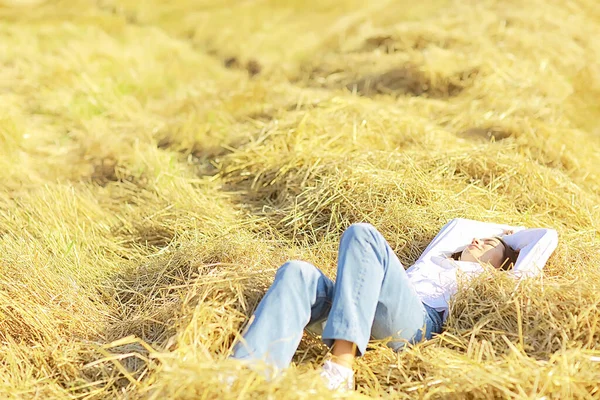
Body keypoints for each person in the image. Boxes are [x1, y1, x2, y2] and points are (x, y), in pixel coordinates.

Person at [230, 218, 558, 391]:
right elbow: (460, 225)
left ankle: (340, 368)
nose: (478, 240)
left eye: (489, 244)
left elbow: (546, 237)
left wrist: (507, 234)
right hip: (360, 305)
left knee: (363, 234)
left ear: (504, 263)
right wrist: (494, 234)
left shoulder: (489, 279)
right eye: (481, 237)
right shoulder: (437, 257)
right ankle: (245, 375)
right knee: (296, 272)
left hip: (414, 324)